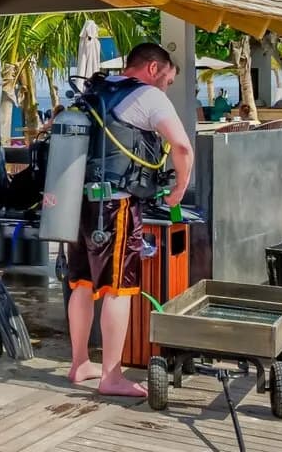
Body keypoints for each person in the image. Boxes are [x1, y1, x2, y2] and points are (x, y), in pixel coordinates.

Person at [66, 43, 194, 397]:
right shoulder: (148, 97)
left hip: (75, 201)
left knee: (80, 283)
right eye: (167, 80)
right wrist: (180, 188)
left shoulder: (96, 91)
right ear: (153, 69)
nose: (165, 87)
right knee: (117, 289)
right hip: (115, 205)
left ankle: (79, 364)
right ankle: (111, 376)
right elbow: (182, 147)